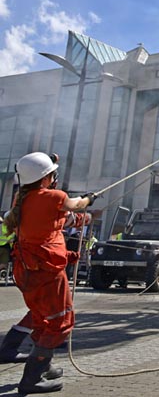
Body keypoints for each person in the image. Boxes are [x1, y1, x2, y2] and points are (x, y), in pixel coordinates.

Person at [3, 152, 94, 394]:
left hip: (27, 271)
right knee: (60, 323)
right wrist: (88, 198)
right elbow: (76, 204)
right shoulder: (54, 196)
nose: (55, 179)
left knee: (42, 319)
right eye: (52, 175)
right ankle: (32, 377)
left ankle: (45, 366)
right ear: (45, 179)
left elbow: (55, 221)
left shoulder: (20, 201)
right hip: (47, 272)